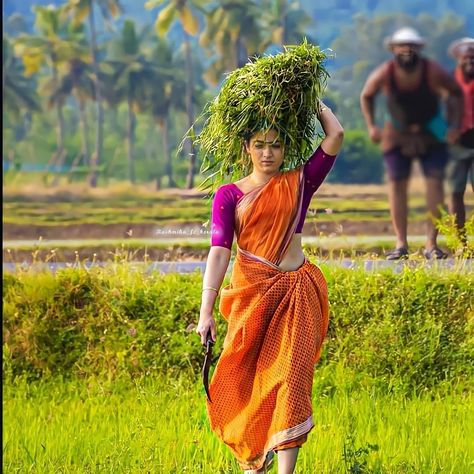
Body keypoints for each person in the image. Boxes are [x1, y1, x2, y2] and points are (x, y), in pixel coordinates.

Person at [196, 103, 344, 473]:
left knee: (290, 379)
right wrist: (206, 311)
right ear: (246, 146)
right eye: (260, 145)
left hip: (296, 296)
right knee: (246, 379)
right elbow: (219, 252)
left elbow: (336, 135)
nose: (267, 153)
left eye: (275, 146)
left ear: (285, 148)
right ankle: (253, 462)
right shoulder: (228, 195)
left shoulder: (299, 182)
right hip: (251, 299)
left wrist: (310, 102)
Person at [360, 27, 463, 260]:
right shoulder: (385, 73)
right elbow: (367, 95)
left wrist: (454, 126)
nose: (407, 50)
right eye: (402, 46)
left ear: (419, 49)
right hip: (396, 133)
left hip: (430, 133)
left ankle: (431, 244)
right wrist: (371, 126)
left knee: (435, 187)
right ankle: (401, 243)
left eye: (412, 46)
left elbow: (455, 92)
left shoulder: (432, 71)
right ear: (393, 49)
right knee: (397, 186)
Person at [446, 37, 474, 251]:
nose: (470, 60)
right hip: (457, 145)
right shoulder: (447, 82)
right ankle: (460, 242)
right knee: (456, 192)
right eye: (467, 57)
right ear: (459, 59)